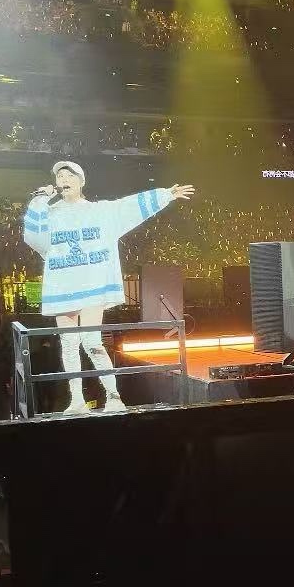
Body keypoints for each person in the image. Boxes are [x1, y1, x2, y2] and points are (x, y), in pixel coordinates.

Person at [23, 161, 194, 414]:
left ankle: (114, 397)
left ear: (81, 181)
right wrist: (39, 199)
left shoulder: (100, 212)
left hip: (91, 285)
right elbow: (33, 237)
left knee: (91, 340)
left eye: (69, 175)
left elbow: (130, 206)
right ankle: (77, 399)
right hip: (64, 285)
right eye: (60, 176)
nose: (64, 179)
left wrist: (166, 194)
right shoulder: (49, 214)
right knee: (68, 344)